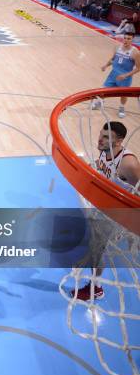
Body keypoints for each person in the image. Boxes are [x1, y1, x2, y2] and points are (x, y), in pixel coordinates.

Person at [72, 122, 140, 301]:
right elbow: (102, 166)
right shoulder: (105, 150)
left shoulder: (128, 164)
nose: (100, 140)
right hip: (104, 205)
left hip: (117, 213)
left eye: (105, 137)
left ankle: (96, 288)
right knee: (94, 244)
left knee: (97, 249)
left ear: (119, 141)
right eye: (101, 135)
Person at [93, 32, 140, 117]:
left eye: (128, 39)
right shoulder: (117, 47)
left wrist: (126, 75)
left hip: (125, 78)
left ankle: (122, 108)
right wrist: (106, 65)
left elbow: (138, 68)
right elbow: (113, 59)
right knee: (103, 90)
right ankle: (99, 103)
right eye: (125, 38)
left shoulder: (135, 52)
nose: (126, 40)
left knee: (123, 94)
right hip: (113, 75)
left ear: (132, 40)